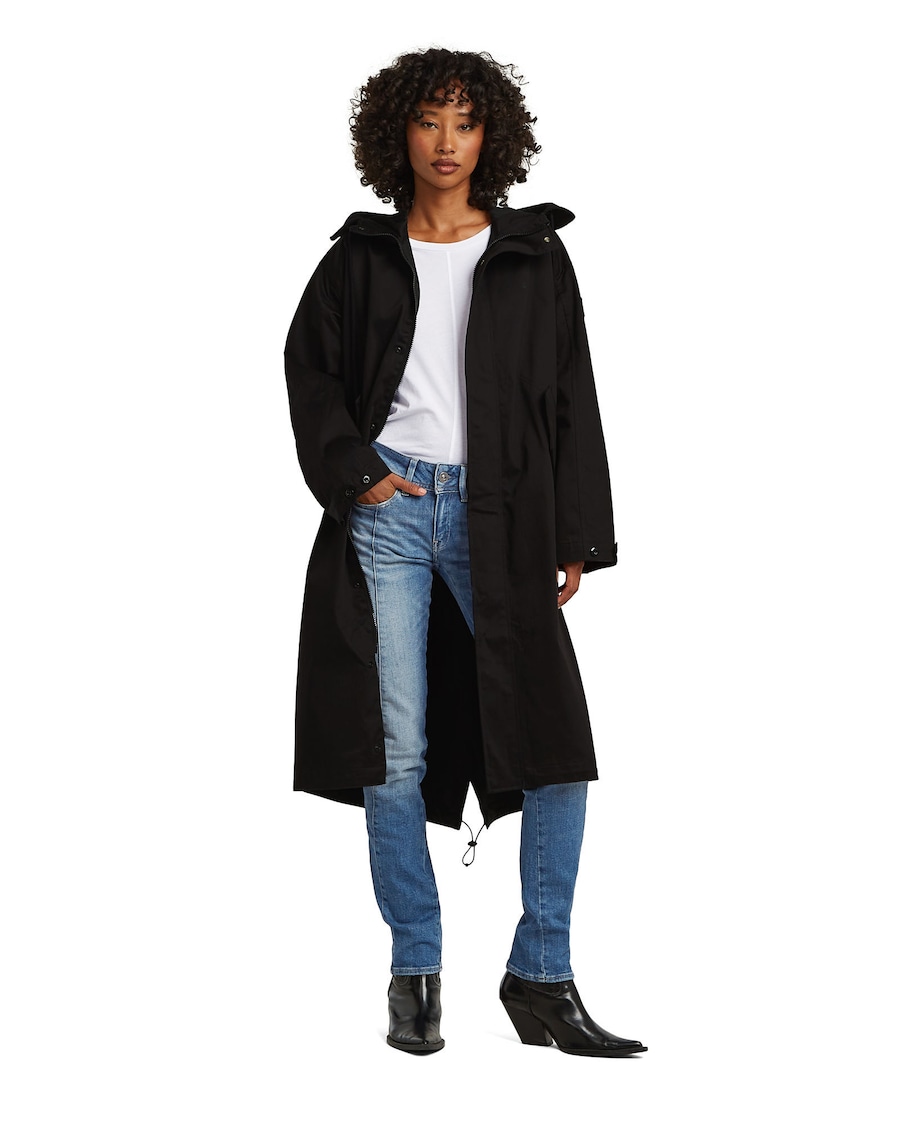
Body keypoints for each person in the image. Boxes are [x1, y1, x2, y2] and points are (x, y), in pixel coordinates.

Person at [283, 47, 646, 1058]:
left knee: (557, 744)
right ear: (397, 132)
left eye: (466, 122)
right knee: (393, 750)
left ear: (493, 136)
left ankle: (542, 972)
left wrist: (577, 531)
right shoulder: (359, 257)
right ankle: (416, 968)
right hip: (391, 512)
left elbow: (570, 393)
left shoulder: (532, 255)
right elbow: (309, 372)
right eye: (429, 120)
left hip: (504, 514)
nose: (447, 142)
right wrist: (356, 470)